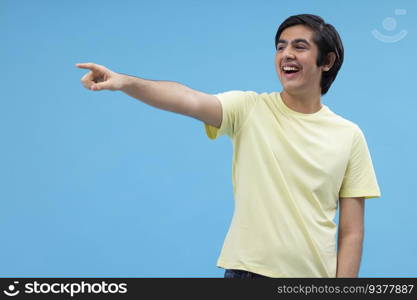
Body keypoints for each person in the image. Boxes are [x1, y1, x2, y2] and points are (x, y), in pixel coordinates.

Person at [76, 14, 381, 278]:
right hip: (248, 274)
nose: (286, 54)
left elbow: (352, 231)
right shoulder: (248, 109)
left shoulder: (349, 135)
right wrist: (124, 82)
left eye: (299, 46)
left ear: (326, 61)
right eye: (280, 46)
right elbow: (187, 98)